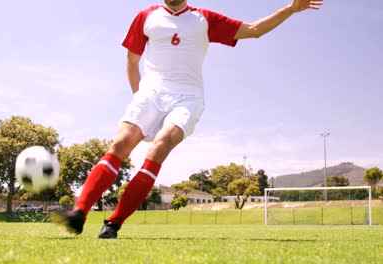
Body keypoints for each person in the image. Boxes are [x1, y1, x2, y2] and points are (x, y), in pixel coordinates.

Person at [54, 0, 323, 239]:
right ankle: (79, 213)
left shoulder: (204, 19)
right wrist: (140, 98)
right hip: (150, 94)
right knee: (121, 143)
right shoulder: (145, 16)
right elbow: (132, 61)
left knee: (159, 146)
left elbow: (253, 30)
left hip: (187, 98)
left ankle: (113, 223)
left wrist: (291, 8)